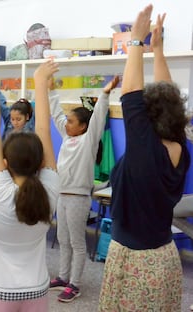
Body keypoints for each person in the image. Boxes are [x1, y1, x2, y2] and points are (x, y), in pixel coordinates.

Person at [98, 5, 190, 311]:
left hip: (137, 261)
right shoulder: (179, 146)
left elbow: (131, 95)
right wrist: (158, 51)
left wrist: (136, 42)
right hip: (163, 257)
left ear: (146, 119)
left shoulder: (145, 151)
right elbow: (168, 95)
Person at [0, 50, 59, 311]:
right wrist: (40, 81)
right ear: (40, 163)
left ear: (5, 164)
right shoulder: (50, 190)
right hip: (36, 292)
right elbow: (44, 130)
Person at [49, 74, 119, 302]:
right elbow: (56, 114)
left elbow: (98, 117)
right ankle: (62, 276)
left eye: (71, 122)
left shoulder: (88, 141)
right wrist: (51, 91)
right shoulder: (66, 137)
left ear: (82, 127)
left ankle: (75, 284)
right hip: (63, 196)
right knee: (63, 239)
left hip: (79, 199)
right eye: (67, 121)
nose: (66, 124)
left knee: (77, 243)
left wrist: (105, 94)